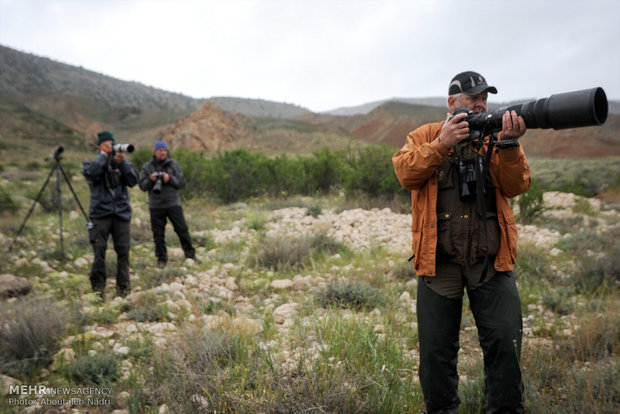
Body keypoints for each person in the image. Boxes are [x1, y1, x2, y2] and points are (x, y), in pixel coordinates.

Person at [392, 71, 531, 413]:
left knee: (504, 342)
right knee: (436, 354)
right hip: (439, 265)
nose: (480, 104)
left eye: (484, 98)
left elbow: (517, 186)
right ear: (452, 103)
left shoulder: (495, 136)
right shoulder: (424, 135)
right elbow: (405, 173)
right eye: (472, 99)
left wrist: (510, 145)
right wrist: (443, 143)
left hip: (490, 261)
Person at [82, 131, 138, 298]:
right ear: (100, 146)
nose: (111, 147)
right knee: (99, 252)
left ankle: (123, 290)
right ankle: (98, 291)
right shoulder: (91, 164)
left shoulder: (119, 163)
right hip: (100, 214)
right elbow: (92, 173)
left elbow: (133, 180)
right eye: (107, 144)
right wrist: (103, 156)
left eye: (112, 144)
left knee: (123, 252)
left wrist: (122, 163)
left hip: (121, 214)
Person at [139, 140, 198, 267]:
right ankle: (162, 259)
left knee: (182, 230)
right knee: (158, 234)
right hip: (156, 205)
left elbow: (181, 183)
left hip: (173, 204)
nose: (163, 153)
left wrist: (169, 179)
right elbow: (142, 186)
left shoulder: (174, 165)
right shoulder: (147, 167)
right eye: (160, 150)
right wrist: (151, 179)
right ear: (155, 152)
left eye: (165, 150)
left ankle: (190, 255)